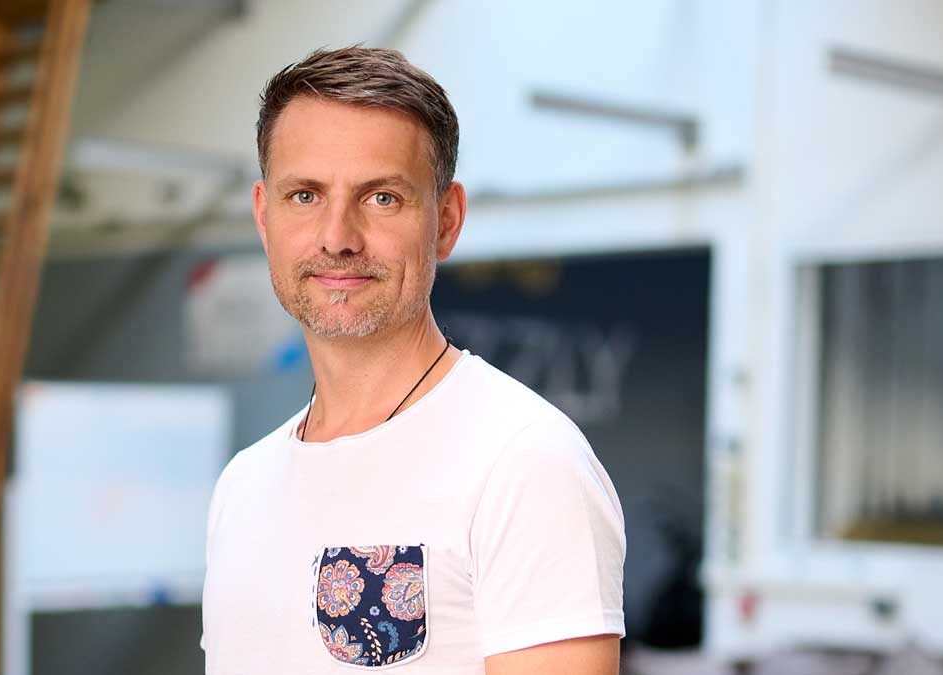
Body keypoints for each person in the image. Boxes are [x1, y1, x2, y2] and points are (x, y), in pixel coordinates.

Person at [201, 46, 625, 674]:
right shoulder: (242, 486)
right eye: (305, 195)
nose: (337, 237)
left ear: (446, 220)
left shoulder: (525, 463)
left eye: (381, 198)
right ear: (265, 216)